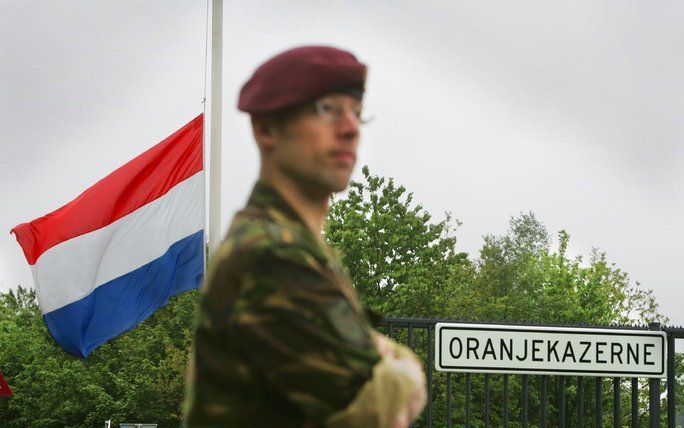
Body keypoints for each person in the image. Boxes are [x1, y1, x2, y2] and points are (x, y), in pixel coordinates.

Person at [183, 45, 426, 428]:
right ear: (266, 129)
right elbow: (380, 407)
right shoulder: (274, 255)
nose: (350, 129)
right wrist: (408, 370)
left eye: (357, 113)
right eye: (328, 109)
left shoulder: (298, 247)